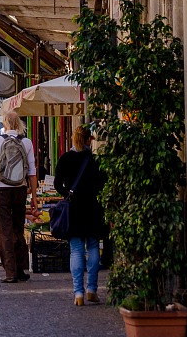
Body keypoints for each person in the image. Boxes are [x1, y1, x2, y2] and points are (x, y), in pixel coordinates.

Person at [54, 125, 106, 306]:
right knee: (93, 247)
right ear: (88, 140)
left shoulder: (65, 158)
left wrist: (67, 194)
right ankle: (92, 289)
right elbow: (103, 184)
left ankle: (78, 293)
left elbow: (57, 183)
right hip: (93, 208)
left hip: (74, 209)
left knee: (76, 249)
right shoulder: (94, 160)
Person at [0, 109, 38, 284]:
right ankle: (21, 268)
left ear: (5, 124)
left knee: (5, 230)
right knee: (18, 228)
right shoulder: (27, 142)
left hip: (2, 190)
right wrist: (35, 199)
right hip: (21, 190)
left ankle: (10, 272)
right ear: (19, 124)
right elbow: (32, 171)